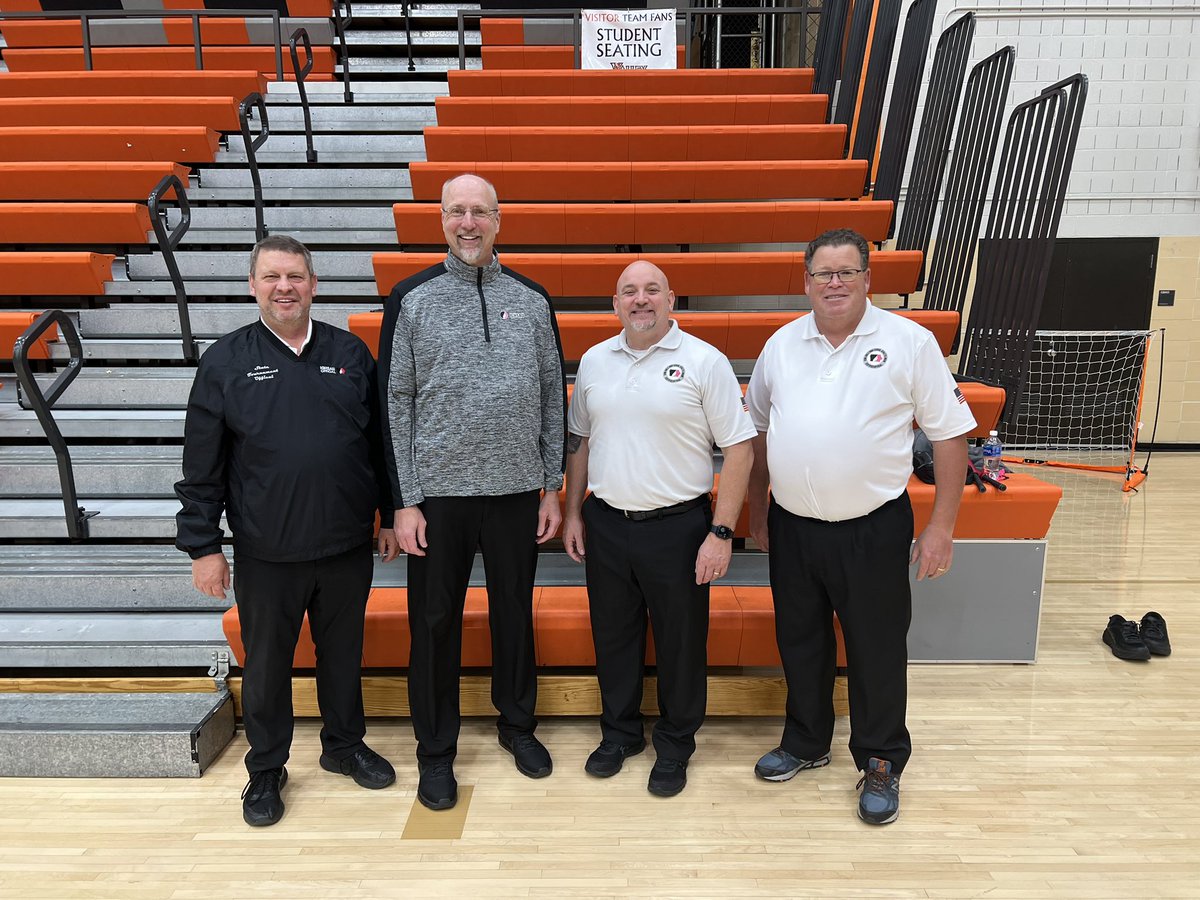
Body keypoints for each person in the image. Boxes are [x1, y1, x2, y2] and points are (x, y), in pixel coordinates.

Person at [745, 228, 976, 825]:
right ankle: (806, 741)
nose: (835, 282)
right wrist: (758, 509)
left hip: (873, 528)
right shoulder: (781, 344)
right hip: (794, 527)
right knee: (801, 640)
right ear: (806, 281)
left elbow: (950, 434)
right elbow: (760, 436)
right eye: (823, 273)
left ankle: (880, 760)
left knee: (875, 648)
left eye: (847, 271)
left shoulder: (910, 342)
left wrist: (941, 526)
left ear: (869, 279)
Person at [176, 235, 398, 828]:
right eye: (272, 277)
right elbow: (202, 466)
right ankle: (267, 768)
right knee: (268, 666)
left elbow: (379, 448)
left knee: (343, 655)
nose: (284, 287)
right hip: (267, 550)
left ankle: (344, 745)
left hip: (347, 544)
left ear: (314, 284)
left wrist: (390, 514)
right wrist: (203, 546)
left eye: (295, 276)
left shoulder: (350, 353)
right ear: (252, 286)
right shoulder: (224, 361)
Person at [378, 174, 566, 811]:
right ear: (440, 220)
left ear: (498, 219)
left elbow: (549, 397)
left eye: (479, 211)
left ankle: (518, 725)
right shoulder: (411, 298)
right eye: (456, 211)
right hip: (437, 500)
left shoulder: (534, 300)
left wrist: (552, 486)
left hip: (517, 493)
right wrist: (402, 500)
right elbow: (394, 403)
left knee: (515, 615)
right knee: (434, 626)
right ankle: (436, 754)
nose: (468, 222)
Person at [562, 261, 755, 798]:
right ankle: (619, 734)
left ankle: (674, 746)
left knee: (680, 644)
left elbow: (739, 447)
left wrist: (721, 532)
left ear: (672, 299)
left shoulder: (703, 361)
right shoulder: (597, 361)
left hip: (679, 528)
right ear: (615, 303)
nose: (640, 300)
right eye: (629, 291)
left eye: (652, 290)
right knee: (614, 637)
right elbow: (578, 441)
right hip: (607, 521)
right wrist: (574, 511)